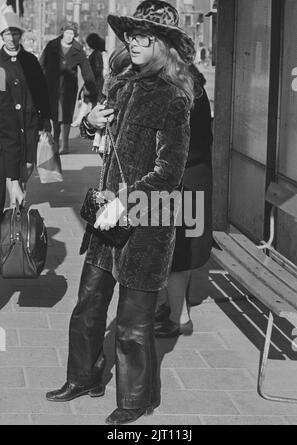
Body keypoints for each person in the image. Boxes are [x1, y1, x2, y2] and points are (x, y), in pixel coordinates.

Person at [46, 0, 195, 426]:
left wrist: (126, 203)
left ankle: (135, 399)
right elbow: (97, 135)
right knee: (88, 304)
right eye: (129, 33)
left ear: (163, 44)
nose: (132, 41)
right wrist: (90, 122)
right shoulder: (119, 81)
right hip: (105, 217)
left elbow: (170, 171)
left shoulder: (174, 97)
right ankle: (83, 377)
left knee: (132, 321)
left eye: (142, 35)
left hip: (146, 223)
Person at [154, 64, 213, 337]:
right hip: (195, 178)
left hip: (182, 182)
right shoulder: (195, 90)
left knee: (175, 252)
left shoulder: (179, 95)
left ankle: (180, 319)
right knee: (182, 249)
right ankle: (172, 305)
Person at [0, 5, 51, 209]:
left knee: (27, 166)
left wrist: (46, 120)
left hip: (30, 123)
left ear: (20, 35)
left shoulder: (30, 60)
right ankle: (12, 204)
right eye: (6, 33)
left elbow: (41, 91)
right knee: (8, 167)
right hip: (5, 126)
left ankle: (18, 200)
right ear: (1, 36)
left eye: (15, 33)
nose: (11, 38)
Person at [39, 22, 97, 155]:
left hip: (68, 88)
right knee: (53, 115)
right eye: (67, 33)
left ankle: (65, 144)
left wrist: (92, 88)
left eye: (72, 34)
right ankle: (55, 141)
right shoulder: (52, 46)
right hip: (51, 86)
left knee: (66, 116)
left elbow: (86, 70)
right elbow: (41, 64)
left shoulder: (78, 49)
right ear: (63, 33)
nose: (70, 36)